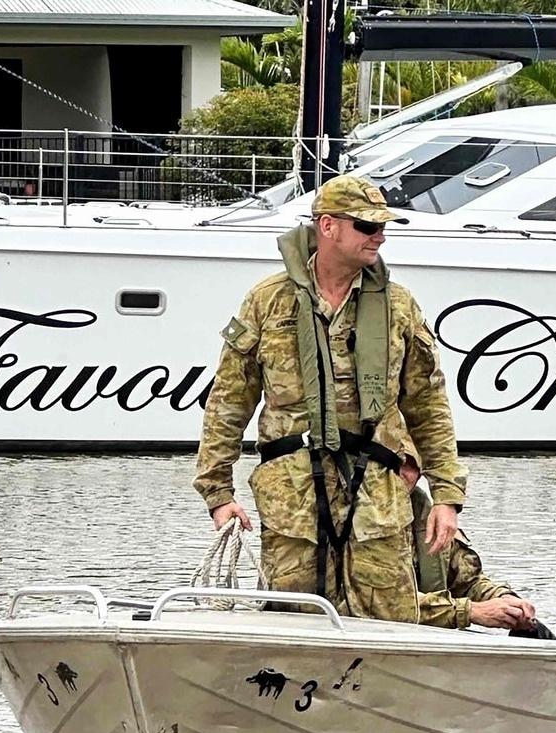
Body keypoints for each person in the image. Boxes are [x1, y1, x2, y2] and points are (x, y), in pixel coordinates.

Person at [194, 174, 467, 622]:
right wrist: (217, 491)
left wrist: (446, 495)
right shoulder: (268, 302)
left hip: (377, 496)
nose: (379, 236)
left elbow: (428, 405)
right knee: (292, 620)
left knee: (390, 618)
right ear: (327, 226)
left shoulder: (399, 306)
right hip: (293, 501)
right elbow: (228, 400)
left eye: (383, 227)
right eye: (366, 225)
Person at [401, 460, 537, 631]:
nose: (403, 474)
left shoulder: (430, 518)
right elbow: (386, 602)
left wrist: (505, 600)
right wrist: (470, 611)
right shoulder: (359, 519)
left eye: (411, 466)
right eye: (394, 464)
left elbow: (467, 581)